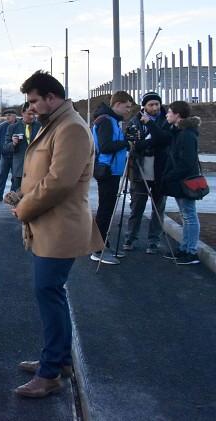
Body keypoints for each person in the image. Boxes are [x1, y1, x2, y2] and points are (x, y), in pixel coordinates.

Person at [12, 71, 104, 398]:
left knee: (47, 293)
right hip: (50, 224)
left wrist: (24, 208)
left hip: (59, 227)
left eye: (35, 100)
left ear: (52, 97)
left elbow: (59, 182)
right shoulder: (57, 124)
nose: (32, 107)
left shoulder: (72, 128)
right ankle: (59, 359)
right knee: (52, 294)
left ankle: (50, 373)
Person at [124, 92, 172, 254]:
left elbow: (166, 140)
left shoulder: (166, 120)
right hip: (140, 169)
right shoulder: (135, 121)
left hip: (160, 170)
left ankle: (154, 240)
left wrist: (149, 141)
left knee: (158, 207)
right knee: (137, 206)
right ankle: (131, 237)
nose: (155, 107)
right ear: (144, 106)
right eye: (151, 105)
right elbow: (133, 144)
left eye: (157, 104)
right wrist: (153, 141)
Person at [90, 91, 133, 265]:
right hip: (107, 170)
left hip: (112, 170)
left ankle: (102, 244)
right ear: (117, 104)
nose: (129, 110)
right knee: (105, 210)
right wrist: (126, 142)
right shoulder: (107, 121)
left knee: (107, 209)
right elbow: (106, 146)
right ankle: (97, 248)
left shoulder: (112, 120)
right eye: (127, 106)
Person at [160, 101, 202, 265]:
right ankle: (184, 248)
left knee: (189, 216)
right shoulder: (179, 132)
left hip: (185, 181)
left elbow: (187, 162)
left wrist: (169, 176)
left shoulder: (186, 134)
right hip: (181, 181)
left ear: (177, 114)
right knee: (186, 215)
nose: (166, 114)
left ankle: (191, 252)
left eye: (169, 112)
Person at [5, 102, 41, 192]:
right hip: (19, 170)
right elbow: (5, 148)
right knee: (18, 199)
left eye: (34, 114)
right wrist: (13, 143)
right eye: (29, 114)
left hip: (36, 169)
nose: (32, 117)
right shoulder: (12, 128)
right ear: (22, 113)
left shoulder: (40, 126)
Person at [0, 110, 18, 201]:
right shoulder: (3, 127)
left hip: (16, 155)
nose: (7, 117)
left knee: (15, 177)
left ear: (15, 116)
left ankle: (11, 197)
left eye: (9, 115)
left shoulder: (19, 126)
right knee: (2, 176)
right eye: (6, 115)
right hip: (5, 155)